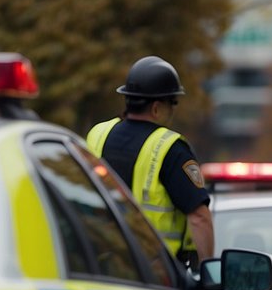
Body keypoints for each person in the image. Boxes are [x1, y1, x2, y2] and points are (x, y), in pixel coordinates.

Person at [87, 56, 214, 271]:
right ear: (156, 108)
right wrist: (210, 274)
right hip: (156, 276)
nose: (173, 111)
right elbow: (199, 218)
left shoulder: (97, 134)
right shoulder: (170, 147)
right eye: (172, 103)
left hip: (97, 268)